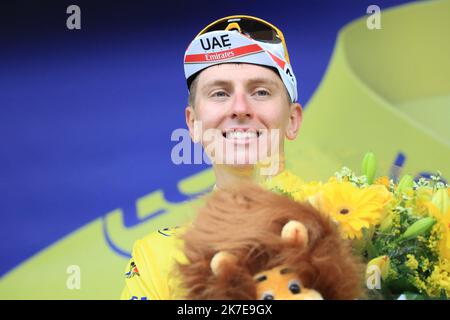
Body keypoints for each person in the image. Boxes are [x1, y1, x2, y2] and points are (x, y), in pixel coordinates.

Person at [120, 15, 303, 300]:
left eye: (261, 91)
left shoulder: (353, 224)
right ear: (193, 124)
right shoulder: (158, 256)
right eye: (220, 93)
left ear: (292, 120)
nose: (240, 108)